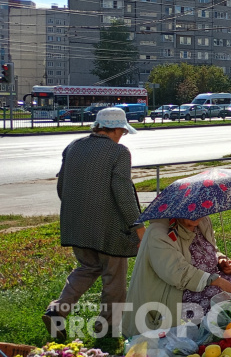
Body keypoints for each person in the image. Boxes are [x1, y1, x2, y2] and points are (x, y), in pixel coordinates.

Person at [44, 107, 145, 339]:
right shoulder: (119, 152)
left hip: (76, 225)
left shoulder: (73, 147)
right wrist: (138, 227)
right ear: (116, 129)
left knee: (88, 267)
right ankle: (107, 329)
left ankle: (58, 310)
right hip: (110, 229)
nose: (123, 136)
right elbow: (123, 191)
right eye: (123, 131)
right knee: (114, 278)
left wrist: (79, 212)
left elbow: (62, 187)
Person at [122, 217, 231, 337]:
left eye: (201, 209)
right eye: (191, 210)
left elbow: (211, 250)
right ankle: (212, 337)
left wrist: (221, 260)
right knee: (217, 296)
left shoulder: (202, 222)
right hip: (175, 294)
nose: (197, 214)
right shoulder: (158, 233)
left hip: (209, 282)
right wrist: (218, 281)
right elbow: (177, 273)